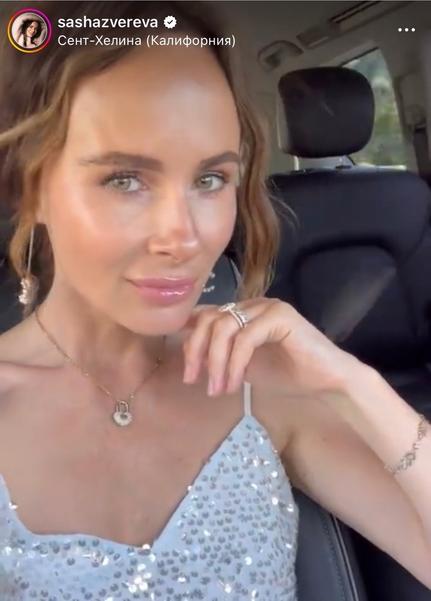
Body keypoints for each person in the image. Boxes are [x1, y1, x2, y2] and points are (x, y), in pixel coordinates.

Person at [0, 1, 430, 599]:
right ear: (32, 190)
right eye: (124, 179)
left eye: (210, 180)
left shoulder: (260, 386)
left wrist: (353, 384)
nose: (184, 237)